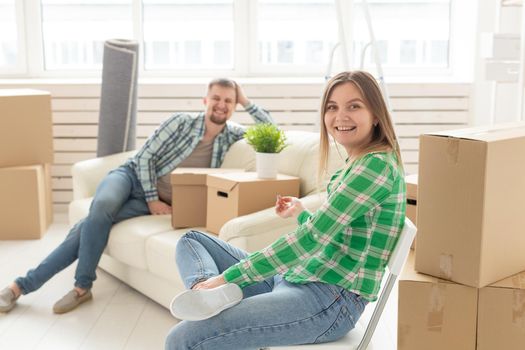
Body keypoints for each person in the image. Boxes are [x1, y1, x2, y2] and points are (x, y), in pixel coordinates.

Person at [165, 70, 406, 349]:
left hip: (328, 299)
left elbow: (310, 240)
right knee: (192, 240)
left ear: (376, 114)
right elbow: (336, 233)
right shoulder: (360, 161)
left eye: (354, 106)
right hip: (300, 277)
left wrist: (226, 278)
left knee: (182, 338)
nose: (340, 117)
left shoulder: (374, 167)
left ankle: (214, 293)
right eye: (332, 107)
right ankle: (206, 295)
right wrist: (301, 212)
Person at [0, 78, 273, 315]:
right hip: (130, 178)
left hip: (154, 202)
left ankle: (19, 287)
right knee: (102, 208)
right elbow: (144, 158)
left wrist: (247, 101)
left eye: (229, 100)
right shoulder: (181, 122)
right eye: (216, 97)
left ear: (235, 105)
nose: (221, 104)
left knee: (85, 228)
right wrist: (153, 198)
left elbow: (270, 131)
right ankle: (82, 285)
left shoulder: (232, 135)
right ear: (205, 99)